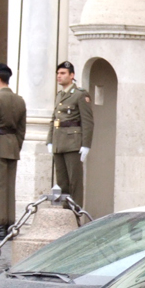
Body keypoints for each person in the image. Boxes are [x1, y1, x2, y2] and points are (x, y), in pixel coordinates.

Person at [0, 63, 27, 240]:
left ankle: (0, 225)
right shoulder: (19, 100)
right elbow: (22, 129)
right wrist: (17, 145)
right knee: (9, 187)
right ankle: (9, 224)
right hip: (12, 145)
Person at [46, 61, 93, 206]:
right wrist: (50, 140)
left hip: (73, 143)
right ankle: (65, 213)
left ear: (72, 75)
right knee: (62, 182)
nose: (59, 76)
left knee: (75, 183)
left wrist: (86, 145)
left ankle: (76, 214)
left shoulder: (80, 94)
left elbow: (87, 121)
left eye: (63, 73)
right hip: (59, 142)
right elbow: (54, 119)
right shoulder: (60, 95)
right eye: (58, 73)